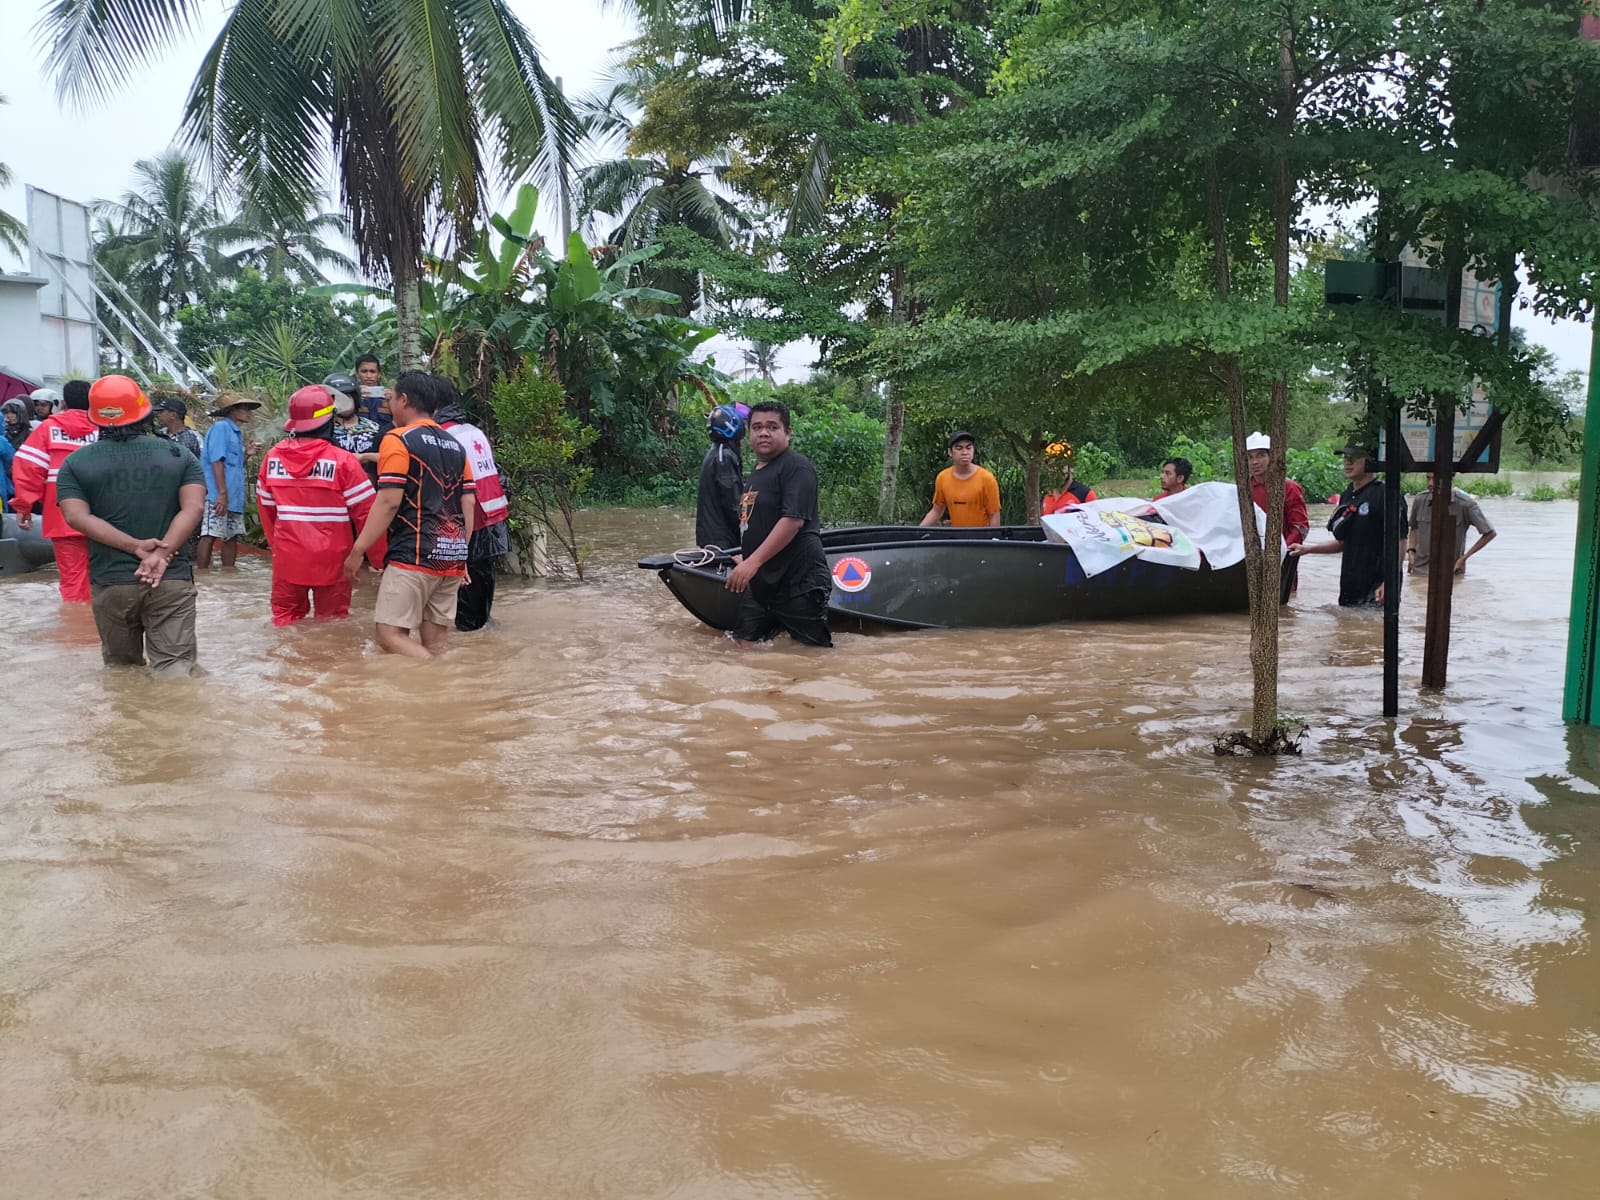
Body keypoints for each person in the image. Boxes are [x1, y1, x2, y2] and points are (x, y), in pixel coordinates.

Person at [53, 375, 206, 676]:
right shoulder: (179, 455)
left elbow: (75, 517)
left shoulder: (76, 463)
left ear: (95, 417)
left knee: (122, 673)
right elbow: (194, 507)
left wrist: (134, 547)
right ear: (144, 411)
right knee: (176, 671)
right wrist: (160, 555)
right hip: (170, 578)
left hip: (112, 582)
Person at [345, 371, 476, 658]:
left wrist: (359, 549)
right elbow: (468, 503)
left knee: (389, 634)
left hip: (414, 555)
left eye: (391, 399)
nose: (389, 405)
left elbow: (389, 501)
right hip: (451, 557)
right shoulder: (456, 446)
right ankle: (445, 692)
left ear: (404, 400)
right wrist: (461, 554)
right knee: (436, 643)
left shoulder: (398, 439)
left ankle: (435, 673)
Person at [257, 385, 383, 626]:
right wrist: (379, 559)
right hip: (334, 559)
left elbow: (267, 512)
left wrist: (279, 548)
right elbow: (368, 514)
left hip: (288, 558)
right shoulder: (343, 461)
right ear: (329, 420)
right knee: (333, 625)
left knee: (285, 622)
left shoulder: (272, 458)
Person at [724, 400, 832, 647]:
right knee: (742, 644)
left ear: (788, 432)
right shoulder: (756, 474)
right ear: (749, 432)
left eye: (772, 427)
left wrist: (753, 562)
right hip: (763, 583)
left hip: (798, 582)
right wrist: (745, 555)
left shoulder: (796, 467)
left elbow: (792, 521)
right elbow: (754, 521)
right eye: (757, 427)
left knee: (813, 656)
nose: (764, 432)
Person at [434, 375, 511, 631]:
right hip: (492, 522)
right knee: (479, 608)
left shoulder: (440, 436)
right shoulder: (471, 430)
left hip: (469, 527)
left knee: (464, 615)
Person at [11, 379, 98, 602]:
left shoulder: (48, 429)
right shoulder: (105, 430)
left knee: (72, 581)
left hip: (62, 517)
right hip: (103, 518)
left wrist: (24, 507)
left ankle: (75, 631)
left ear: (64, 403)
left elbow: (28, 469)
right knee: (101, 580)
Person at [1290, 442, 1408, 607]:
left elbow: (1400, 541)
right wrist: (1308, 549)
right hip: (1350, 586)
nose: (1347, 462)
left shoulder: (1386, 494)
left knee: (1375, 629)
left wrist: (1389, 581)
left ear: (1370, 461)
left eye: (1354, 458)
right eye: (1345, 458)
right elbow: (1344, 543)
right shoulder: (1348, 494)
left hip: (1378, 587)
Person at [198, 393, 262, 569]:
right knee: (210, 534)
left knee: (231, 535)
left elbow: (234, 467)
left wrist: (246, 455)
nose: (249, 413)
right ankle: (202, 575)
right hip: (218, 494)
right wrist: (221, 493)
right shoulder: (221, 428)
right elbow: (216, 461)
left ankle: (228, 575)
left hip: (232, 495)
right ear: (232, 411)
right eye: (244, 409)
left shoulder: (235, 432)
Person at [1408, 476, 1497, 576]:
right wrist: (1411, 551)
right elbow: (1414, 528)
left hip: (1451, 572)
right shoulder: (1420, 500)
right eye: (1428, 478)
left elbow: (1490, 533)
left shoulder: (1465, 504)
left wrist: (1464, 558)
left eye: (1435, 478)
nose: (1430, 483)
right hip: (1419, 571)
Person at [921, 431, 1001, 527]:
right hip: (957, 537)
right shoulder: (943, 478)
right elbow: (937, 510)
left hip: (981, 537)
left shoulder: (986, 479)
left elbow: (994, 514)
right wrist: (917, 532)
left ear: (973, 450)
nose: (964, 452)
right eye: (959, 448)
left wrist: (994, 539)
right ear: (950, 452)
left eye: (968, 448)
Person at [696, 403, 747, 552]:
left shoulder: (718, 452)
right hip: (722, 539)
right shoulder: (724, 456)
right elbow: (733, 503)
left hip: (713, 535)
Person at [324, 372, 382, 477]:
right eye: (339, 398)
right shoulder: (323, 431)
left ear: (356, 398)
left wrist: (365, 457)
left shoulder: (374, 428)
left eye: (348, 397)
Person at [1040, 442, 1096, 514]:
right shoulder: (1046, 497)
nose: (1056, 470)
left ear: (1071, 467)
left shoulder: (1085, 495)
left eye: (1061, 465)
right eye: (1052, 466)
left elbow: (1096, 522)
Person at [354, 354, 394, 432]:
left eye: (372, 372)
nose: (368, 376)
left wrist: (393, 400)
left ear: (379, 374)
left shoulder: (390, 396)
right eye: (364, 371)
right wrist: (355, 397)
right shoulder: (351, 397)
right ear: (357, 374)